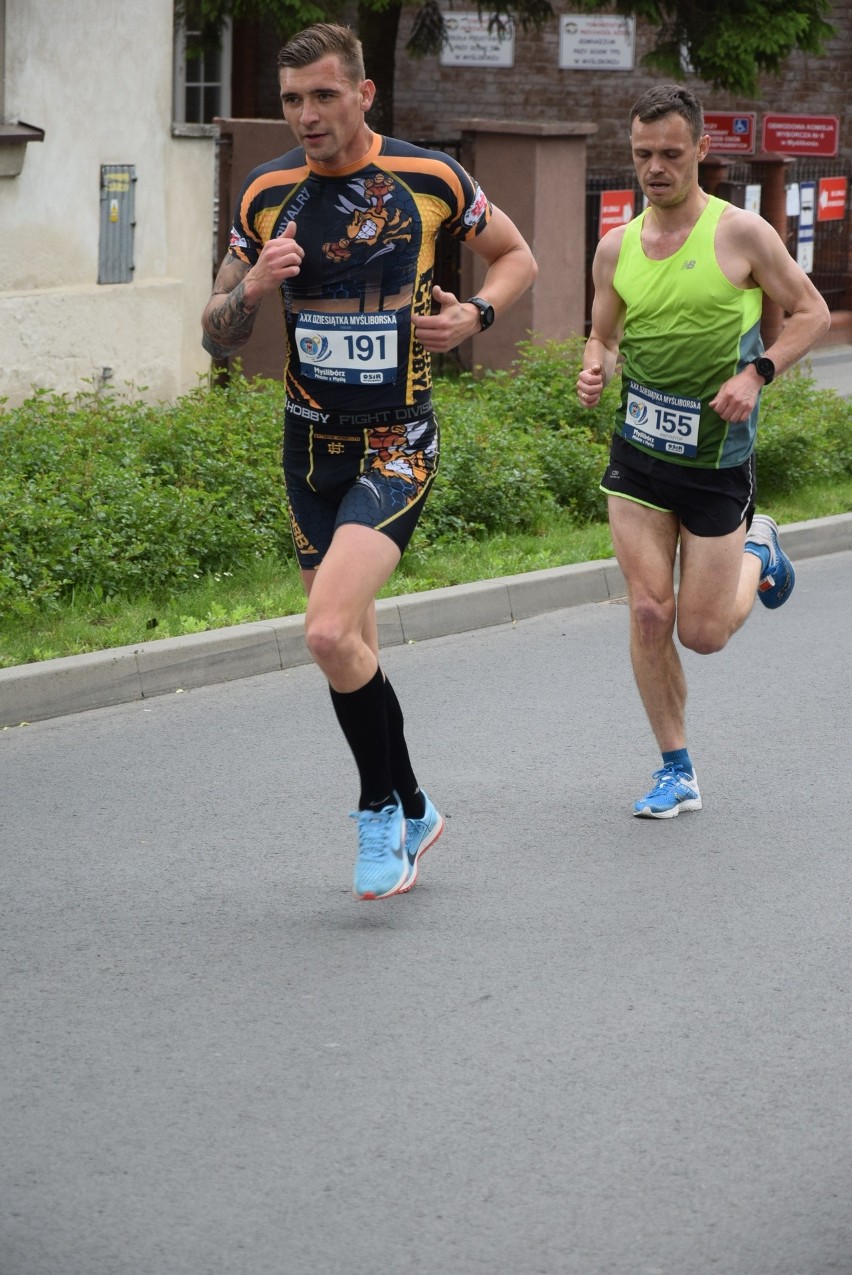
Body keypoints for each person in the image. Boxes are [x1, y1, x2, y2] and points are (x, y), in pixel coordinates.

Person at [201, 23, 537, 895]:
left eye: (322, 95)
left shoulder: (428, 178)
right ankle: (419, 803)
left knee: (323, 631)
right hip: (308, 445)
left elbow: (516, 257)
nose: (306, 116)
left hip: (398, 440)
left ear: (363, 94)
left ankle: (380, 808)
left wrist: (478, 318)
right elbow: (214, 329)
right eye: (291, 100)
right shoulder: (265, 192)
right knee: (345, 642)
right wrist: (251, 287)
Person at [577, 84, 830, 819]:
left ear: (700, 151)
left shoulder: (742, 235)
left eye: (670, 153)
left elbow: (810, 313)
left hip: (718, 461)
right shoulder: (616, 247)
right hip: (639, 457)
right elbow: (604, 333)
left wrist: (757, 373)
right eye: (642, 154)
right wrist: (595, 363)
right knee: (651, 613)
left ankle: (762, 546)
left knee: (704, 632)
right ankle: (675, 766)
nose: (654, 167)